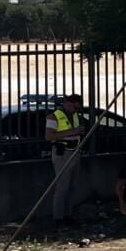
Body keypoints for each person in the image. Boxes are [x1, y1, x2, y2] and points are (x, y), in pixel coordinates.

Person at [44, 93, 88, 224]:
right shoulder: (54, 117)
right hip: (62, 153)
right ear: (68, 103)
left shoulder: (74, 115)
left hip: (75, 151)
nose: (76, 110)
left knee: (72, 186)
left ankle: (68, 215)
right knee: (62, 186)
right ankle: (58, 217)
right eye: (75, 107)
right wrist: (73, 131)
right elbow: (49, 136)